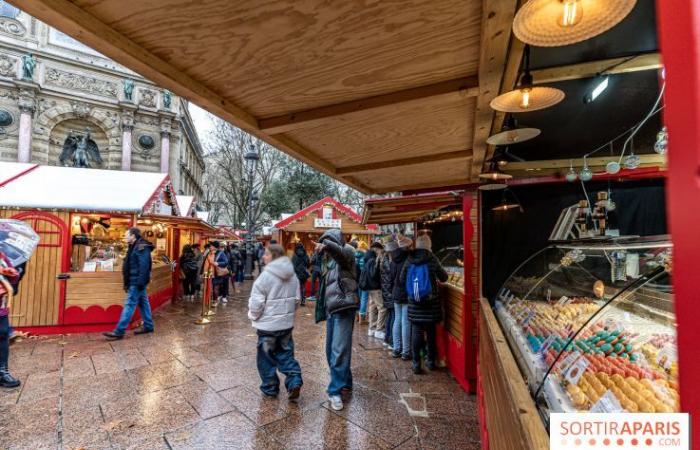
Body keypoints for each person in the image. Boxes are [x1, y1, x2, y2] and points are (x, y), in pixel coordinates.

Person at [248, 244, 303, 400]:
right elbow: (297, 300)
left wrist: (253, 315)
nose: (263, 257)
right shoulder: (293, 275)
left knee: (266, 358)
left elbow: (256, 305)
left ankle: (270, 387)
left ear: (274, 256)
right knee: (286, 353)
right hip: (285, 325)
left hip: (267, 326)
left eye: (266, 254)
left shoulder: (264, 277)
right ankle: (294, 380)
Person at [315, 229, 358, 411]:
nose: (323, 245)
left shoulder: (346, 251)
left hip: (344, 308)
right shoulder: (329, 262)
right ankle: (346, 381)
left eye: (327, 241)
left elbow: (340, 255)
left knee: (339, 350)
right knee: (331, 350)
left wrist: (327, 246)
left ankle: (335, 391)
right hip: (333, 309)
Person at [400, 235, 448, 374]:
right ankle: (431, 361)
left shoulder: (410, 259)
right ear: (429, 245)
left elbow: (402, 279)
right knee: (431, 333)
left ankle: (416, 364)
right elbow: (444, 277)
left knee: (416, 333)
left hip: (415, 304)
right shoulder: (432, 258)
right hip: (430, 303)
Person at [104, 228, 155, 340]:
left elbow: (144, 265)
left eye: (126, 235)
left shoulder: (141, 247)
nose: (125, 237)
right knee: (143, 303)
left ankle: (119, 331)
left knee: (130, 304)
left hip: (136, 281)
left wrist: (141, 282)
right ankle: (149, 326)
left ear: (133, 236)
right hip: (135, 280)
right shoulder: (134, 246)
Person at [0, 251, 21, 388]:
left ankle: (2, 372)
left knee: (2, 334)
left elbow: (14, 277)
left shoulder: (2, 255)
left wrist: (12, 273)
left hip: (1, 301)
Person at [390, 235, 412, 360]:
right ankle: (405, 351)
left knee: (397, 320)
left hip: (396, 292)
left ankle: (396, 349)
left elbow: (391, 277)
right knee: (405, 322)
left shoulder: (393, 259)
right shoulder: (408, 259)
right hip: (406, 293)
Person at [360, 241, 385, 339]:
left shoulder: (367, 257)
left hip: (370, 287)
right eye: (380, 250)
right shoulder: (372, 259)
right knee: (382, 308)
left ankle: (372, 328)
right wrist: (378, 261)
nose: (381, 253)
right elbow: (373, 275)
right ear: (377, 249)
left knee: (372, 307)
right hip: (375, 287)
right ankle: (379, 330)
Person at [380, 239, 397, 349]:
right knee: (393, 317)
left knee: (390, 316)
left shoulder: (383, 260)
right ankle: (391, 341)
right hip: (390, 293)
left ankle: (387, 338)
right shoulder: (389, 263)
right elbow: (392, 278)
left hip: (386, 293)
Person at [353, 241, 368, 323]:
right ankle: (362, 318)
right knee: (364, 298)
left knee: (358, 298)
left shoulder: (355, 256)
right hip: (363, 281)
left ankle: (357, 316)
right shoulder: (364, 258)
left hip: (356, 280)